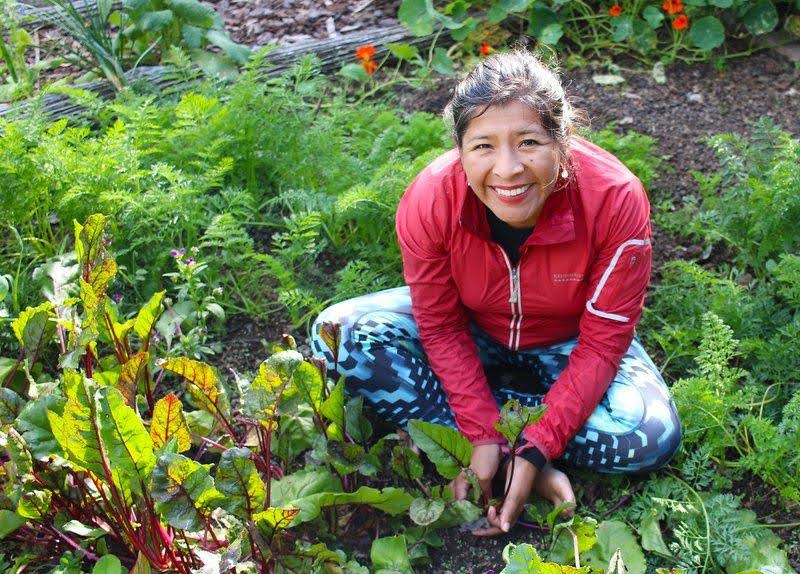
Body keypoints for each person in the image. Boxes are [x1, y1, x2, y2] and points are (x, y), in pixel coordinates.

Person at [311, 49, 681, 536]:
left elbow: (602, 343)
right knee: (336, 334)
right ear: (460, 152)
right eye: (483, 146)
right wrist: (481, 432)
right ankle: (502, 435)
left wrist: (538, 443)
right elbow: (440, 325)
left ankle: (512, 431)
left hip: (572, 343)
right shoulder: (431, 198)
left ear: (562, 142)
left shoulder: (614, 199)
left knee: (650, 437)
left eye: (529, 141)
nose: (508, 169)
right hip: (472, 329)